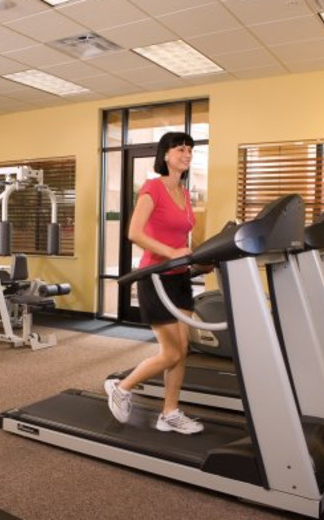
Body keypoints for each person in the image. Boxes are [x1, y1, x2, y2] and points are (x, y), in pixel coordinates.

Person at [104, 131, 204, 435]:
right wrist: (171, 252)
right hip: (155, 277)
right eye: (180, 150)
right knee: (171, 352)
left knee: (182, 349)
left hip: (179, 278)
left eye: (189, 150)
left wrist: (199, 255)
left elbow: (182, 234)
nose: (186, 155)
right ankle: (122, 387)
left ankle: (170, 412)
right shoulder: (152, 188)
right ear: (165, 155)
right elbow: (134, 232)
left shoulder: (185, 194)